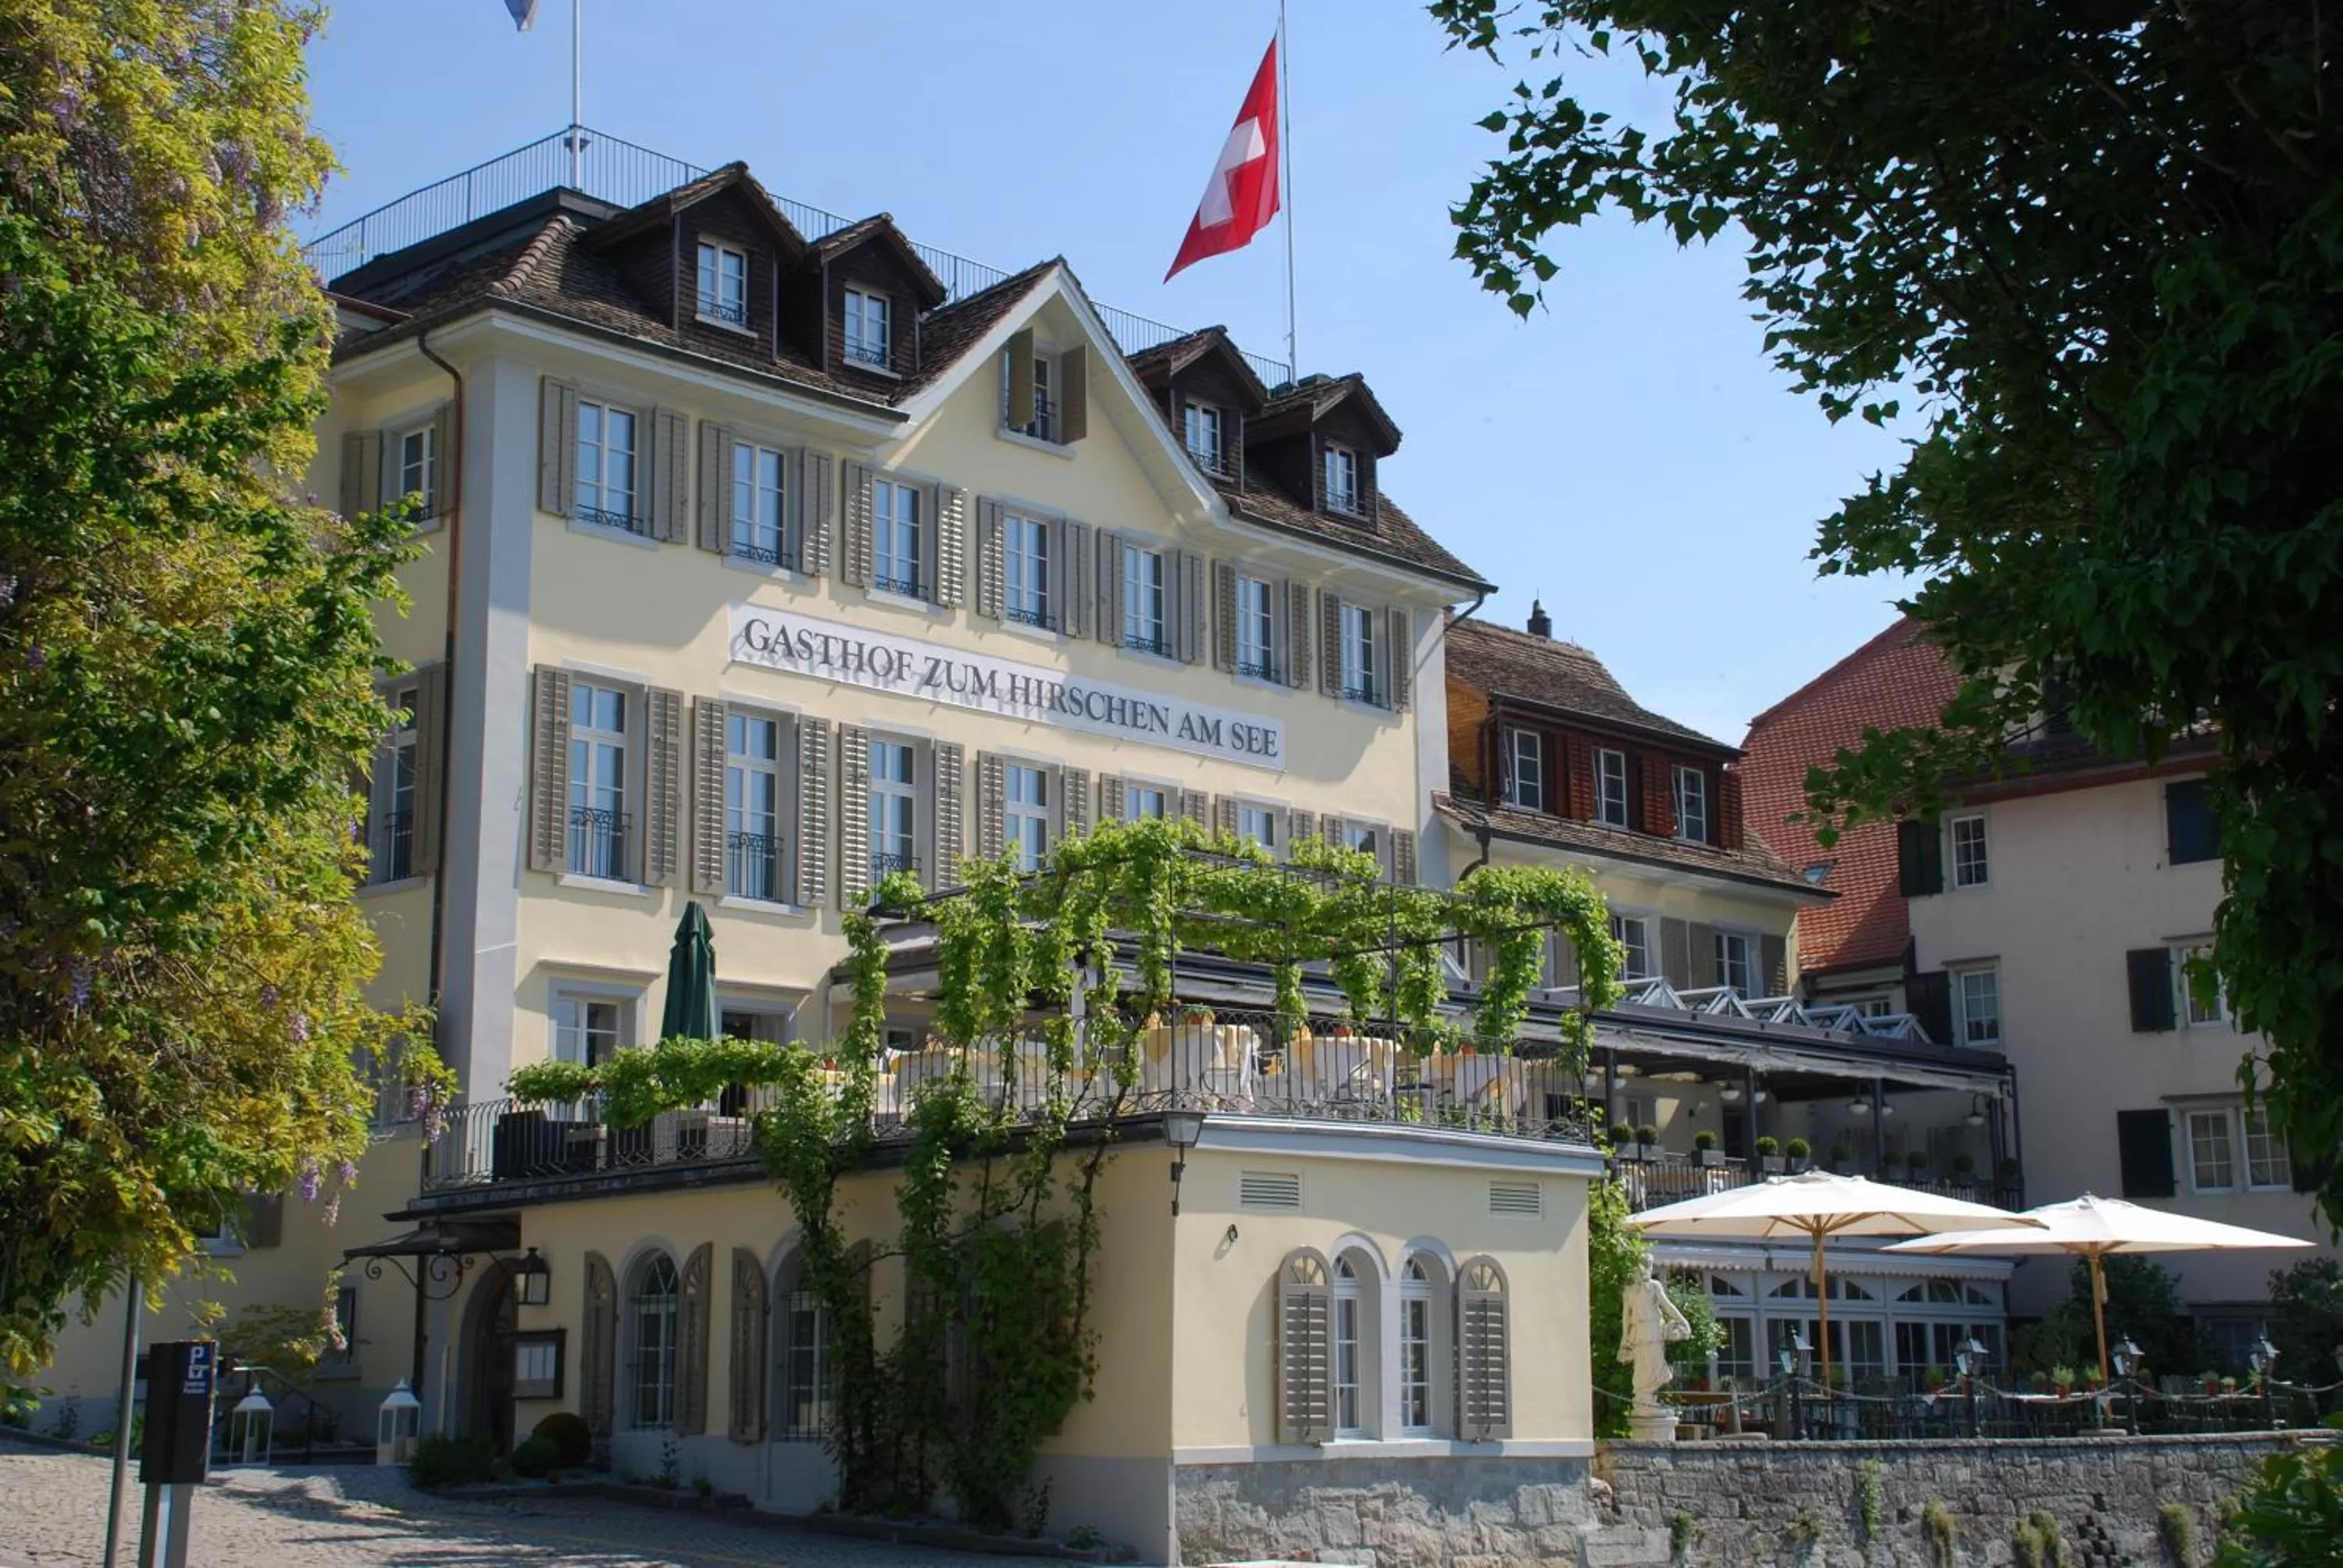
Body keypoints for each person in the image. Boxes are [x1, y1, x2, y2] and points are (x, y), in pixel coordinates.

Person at [1619, 1255, 1692, 1415]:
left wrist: (1683, 1321)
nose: (1648, 1269)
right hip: (1642, 1332)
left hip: (1652, 1330)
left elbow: (1667, 1306)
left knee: (1655, 1366)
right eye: (1648, 1265)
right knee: (1645, 1367)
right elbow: (1626, 1316)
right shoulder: (1631, 1288)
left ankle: (1646, 1399)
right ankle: (1644, 1400)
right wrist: (1624, 1339)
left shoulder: (1653, 1286)